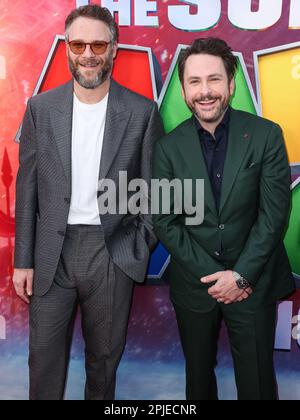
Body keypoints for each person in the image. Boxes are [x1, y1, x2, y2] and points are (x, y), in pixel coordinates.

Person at [13, 5, 164, 400]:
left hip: (111, 253)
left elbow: (153, 191)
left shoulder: (142, 113)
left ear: (114, 49)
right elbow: (26, 188)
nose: (88, 53)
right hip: (51, 254)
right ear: (66, 47)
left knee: (103, 363)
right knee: (43, 360)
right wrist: (22, 260)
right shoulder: (40, 109)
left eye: (98, 43)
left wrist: (136, 244)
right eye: (78, 43)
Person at [153, 38, 295, 401]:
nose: (205, 91)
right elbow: (166, 221)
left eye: (214, 79)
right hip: (195, 286)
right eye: (195, 81)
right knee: (198, 381)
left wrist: (240, 276)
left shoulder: (265, 135)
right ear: (183, 89)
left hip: (253, 282)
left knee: (258, 382)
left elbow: (274, 214)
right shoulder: (168, 148)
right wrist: (216, 279)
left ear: (230, 84)